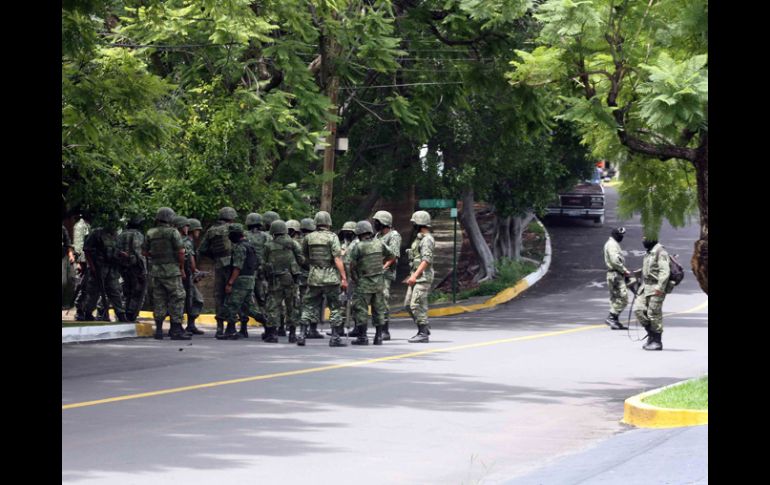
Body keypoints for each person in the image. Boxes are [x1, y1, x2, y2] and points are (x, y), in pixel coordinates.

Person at [298, 211, 348, 347]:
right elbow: (337, 258)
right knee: (335, 307)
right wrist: (344, 277)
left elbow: (303, 257)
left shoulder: (309, 237)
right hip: (331, 278)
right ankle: (335, 337)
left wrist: (313, 266)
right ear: (329, 223)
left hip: (314, 277)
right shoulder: (332, 237)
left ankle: (301, 335)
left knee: (308, 306)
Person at [143, 207, 189, 340]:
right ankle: (176, 329)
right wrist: (181, 268)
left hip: (156, 271)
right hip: (172, 271)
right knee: (177, 297)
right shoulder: (173, 232)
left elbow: (144, 252)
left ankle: (158, 330)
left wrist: (156, 256)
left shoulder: (150, 232)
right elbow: (181, 251)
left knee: (159, 299)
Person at [348, 220, 396, 345]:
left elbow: (351, 264)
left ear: (359, 233)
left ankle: (363, 337)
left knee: (361, 309)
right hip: (379, 282)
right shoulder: (379, 243)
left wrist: (354, 277)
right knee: (378, 309)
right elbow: (392, 256)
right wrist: (381, 267)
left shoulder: (359, 246)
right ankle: (378, 337)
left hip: (364, 282)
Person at [198, 207, 238, 338]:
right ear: (231, 217)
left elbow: (202, 249)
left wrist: (216, 257)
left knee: (219, 296)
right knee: (232, 295)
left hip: (219, 265)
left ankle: (219, 328)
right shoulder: (233, 228)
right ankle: (231, 327)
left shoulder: (211, 230)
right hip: (233, 264)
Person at [220, 224, 263, 340]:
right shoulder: (250, 246)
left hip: (241, 280)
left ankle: (230, 331)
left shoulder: (240, 247)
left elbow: (237, 267)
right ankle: (267, 323)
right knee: (248, 308)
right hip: (250, 279)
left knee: (232, 305)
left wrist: (230, 283)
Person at [264, 220, 304, 343]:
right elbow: (301, 260)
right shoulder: (293, 243)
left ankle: (273, 334)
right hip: (291, 279)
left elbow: (263, 263)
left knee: (273, 306)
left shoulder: (269, 245)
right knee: (292, 306)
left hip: (275, 280)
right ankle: (292, 334)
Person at [82, 214, 128, 322]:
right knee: (94, 292)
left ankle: (121, 314)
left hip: (111, 268)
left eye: (115, 222)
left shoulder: (115, 235)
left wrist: (121, 254)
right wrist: (92, 266)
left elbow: (114, 250)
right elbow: (87, 250)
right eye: (112, 221)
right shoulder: (97, 233)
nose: (113, 224)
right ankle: (88, 313)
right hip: (98, 268)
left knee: (115, 291)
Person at [634, 236, 671, 351]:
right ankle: (651, 334)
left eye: (645, 237)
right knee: (638, 310)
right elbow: (651, 268)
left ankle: (657, 341)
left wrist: (660, 287)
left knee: (653, 314)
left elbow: (665, 271)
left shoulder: (660, 252)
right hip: (645, 287)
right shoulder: (649, 252)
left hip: (656, 287)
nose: (643, 240)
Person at [404, 210, 435, 343]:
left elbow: (426, 260)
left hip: (423, 277)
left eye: (414, 223)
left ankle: (422, 333)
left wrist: (415, 276)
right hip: (416, 276)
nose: (413, 226)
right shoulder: (420, 238)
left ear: (420, 223)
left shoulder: (427, 240)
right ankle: (424, 327)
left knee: (416, 305)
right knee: (407, 305)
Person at [373, 210, 401, 341]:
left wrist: (383, 267)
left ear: (384, 222)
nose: (375, 224)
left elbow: (393, 255)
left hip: (385, 273)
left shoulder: (394, 236)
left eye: (377, 222)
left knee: (383, 299)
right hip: (374, 272)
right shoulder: (377, 236)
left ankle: (385, 330)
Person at [174, 216, 205, 335]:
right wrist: (194, 271)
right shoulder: (187, 241)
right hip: (185, 274)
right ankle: (186, 325)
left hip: (180, 273)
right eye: (197, 230)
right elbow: (190, 258)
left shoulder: (180, 240)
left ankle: (188, 325)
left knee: (188, 299)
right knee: (195, 299)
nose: (199, 232)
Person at [116, 215, 148, 322]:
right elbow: (139, 253)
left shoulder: (121, 234)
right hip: (135, 267)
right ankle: (130, 314)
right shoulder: (137, 234)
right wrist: (143, 269)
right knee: (137, 291)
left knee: (125, 290)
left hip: (122, 267)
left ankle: (123, 312)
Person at [244, 212, 270, 338]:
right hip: (261, 272)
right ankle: (267, 326)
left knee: (245, 298)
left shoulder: (244, 235)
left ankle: (243, 328)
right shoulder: (266, 236)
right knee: (262, 299)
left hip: (247, 271)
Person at [298, 218, 324, 339]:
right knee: (316, 302)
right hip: (315, 274)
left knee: (305, 302)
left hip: (301, 276)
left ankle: (303, 328)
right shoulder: (316, 239)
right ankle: (312, 329)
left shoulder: (299, 241)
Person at [603, 227, 630, 330]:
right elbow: (615, 260)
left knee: (615, 298)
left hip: (615, 274)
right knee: (623, 298)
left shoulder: (613, 243)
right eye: (620, 235)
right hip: (615, 274)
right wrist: (624, 270)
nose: (622, 237)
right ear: (615, 235)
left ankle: (615, 320)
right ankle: (611, 317)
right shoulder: (612, 245)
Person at [62, 225, 76, 308]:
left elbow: (68, 243)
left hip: (63, 256)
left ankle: (66, 303)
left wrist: (71, 255)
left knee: (67, 281)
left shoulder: (63, 228)